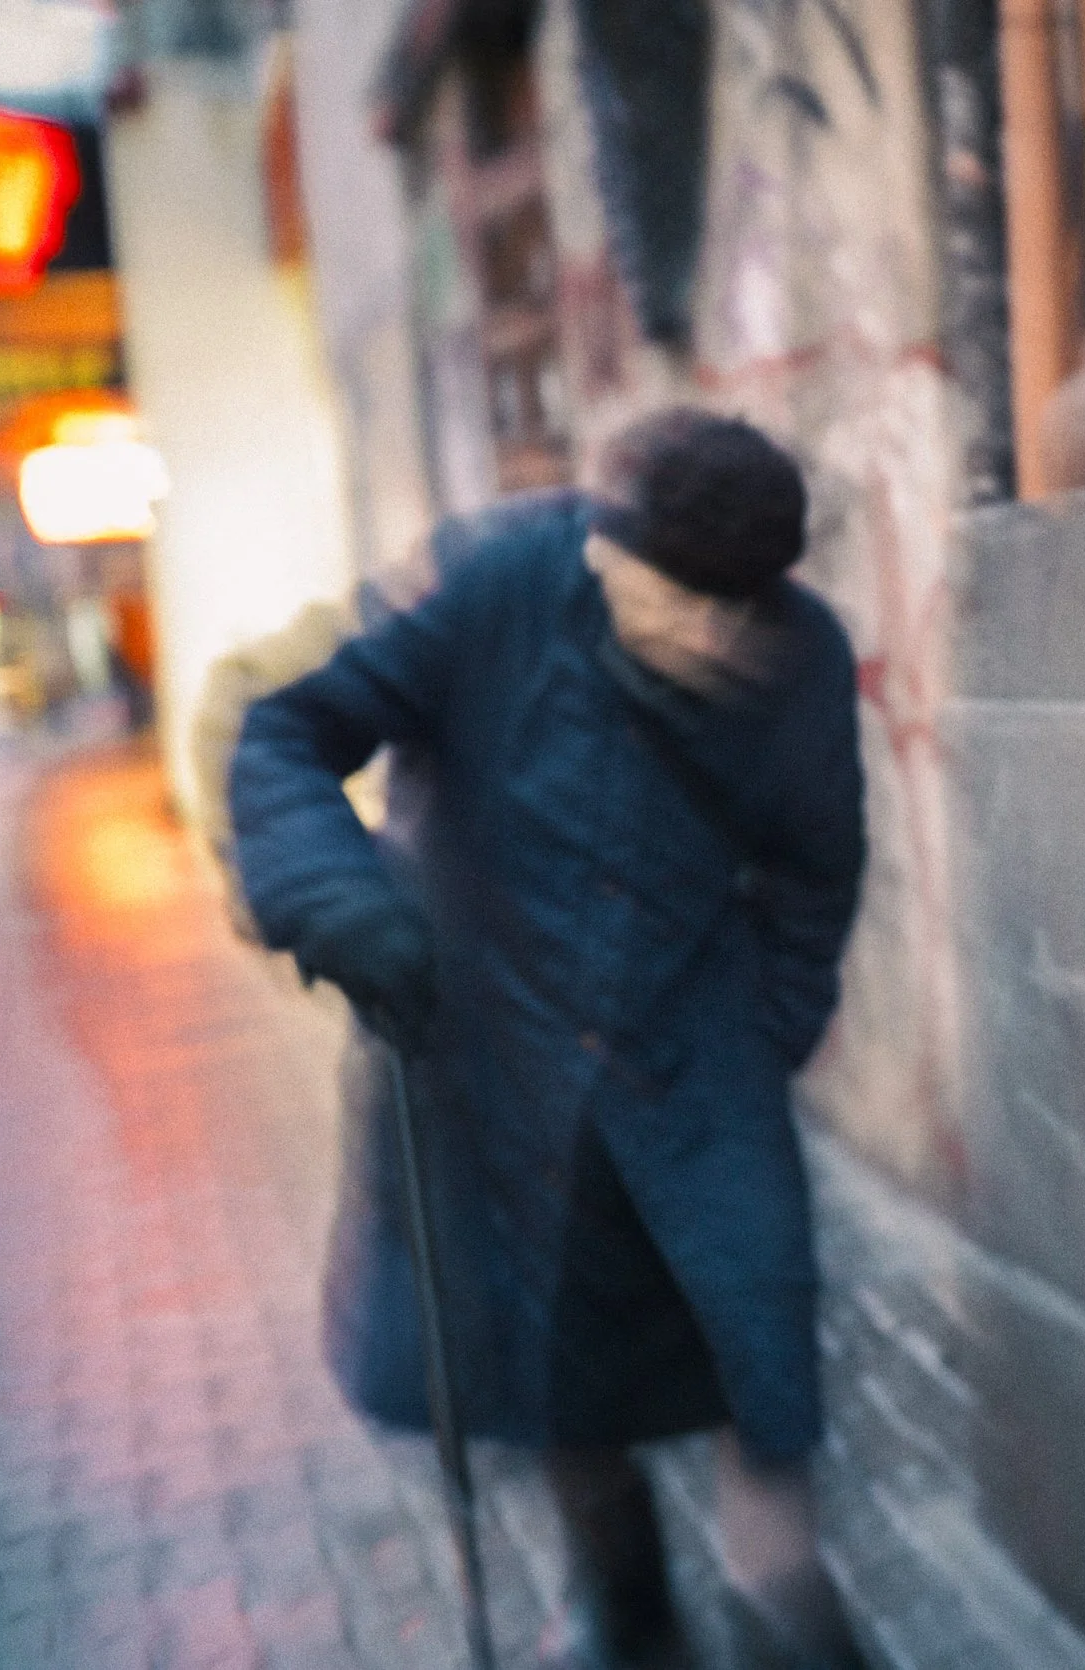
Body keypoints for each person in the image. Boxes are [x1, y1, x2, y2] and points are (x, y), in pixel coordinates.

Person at [229, 410, 868, 1669]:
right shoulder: (502, 587)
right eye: (676, 603)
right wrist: (339, 898)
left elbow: (816, 875)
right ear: (603, 554)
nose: (713, 636)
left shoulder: (801, 655)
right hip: (498, 1056)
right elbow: (286, 732)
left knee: (759, 1347)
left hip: (698, 1064)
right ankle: (627, 1613)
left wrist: (766, 1034)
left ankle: (786, 1606)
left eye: (738, 611)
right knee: (556, 1369)